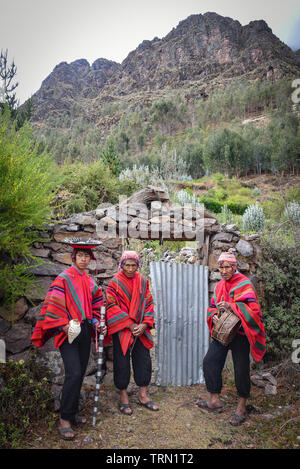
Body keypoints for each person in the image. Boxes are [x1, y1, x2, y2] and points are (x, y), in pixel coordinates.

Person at [31, 238, 107, 440]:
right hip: (68, 331)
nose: (83, 259)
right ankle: (64, 419)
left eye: (86, 256)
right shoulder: (63, 279)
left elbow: (97, 302)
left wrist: (97, 322)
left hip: (83, 331)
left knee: (80, 373)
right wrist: (63, 325)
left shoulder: (89, 281)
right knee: (73, 373)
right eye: (80, 256)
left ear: (90, 259)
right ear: (73, 257)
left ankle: (72, 413)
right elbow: (53, 303)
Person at [199, 251, 266, 426]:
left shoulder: (244, 284)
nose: (223, 271)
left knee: (241, 369)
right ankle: (214, 400)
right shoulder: (220, 285)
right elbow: (213, 306)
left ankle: (242, 407)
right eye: (220, 268)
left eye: (227, 267)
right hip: (223, 332)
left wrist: (232, 306)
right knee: (210, 362)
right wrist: (213, 315)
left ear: (234, 267)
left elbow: (254, 310)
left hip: (241, 334)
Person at [105, 250, 159, 415]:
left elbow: (149, 302)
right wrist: (129, 325)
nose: (130, 269)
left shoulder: (143, 282)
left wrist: (144, 324)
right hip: (122, 329)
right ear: (121, 265)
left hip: (140, 330)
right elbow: (111, 306)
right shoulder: (114, 283)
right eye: (127, 265)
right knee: (121, 361)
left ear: (138, 266)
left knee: (143, 359)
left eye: (133, 265)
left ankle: (143, 395)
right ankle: (123, 397)